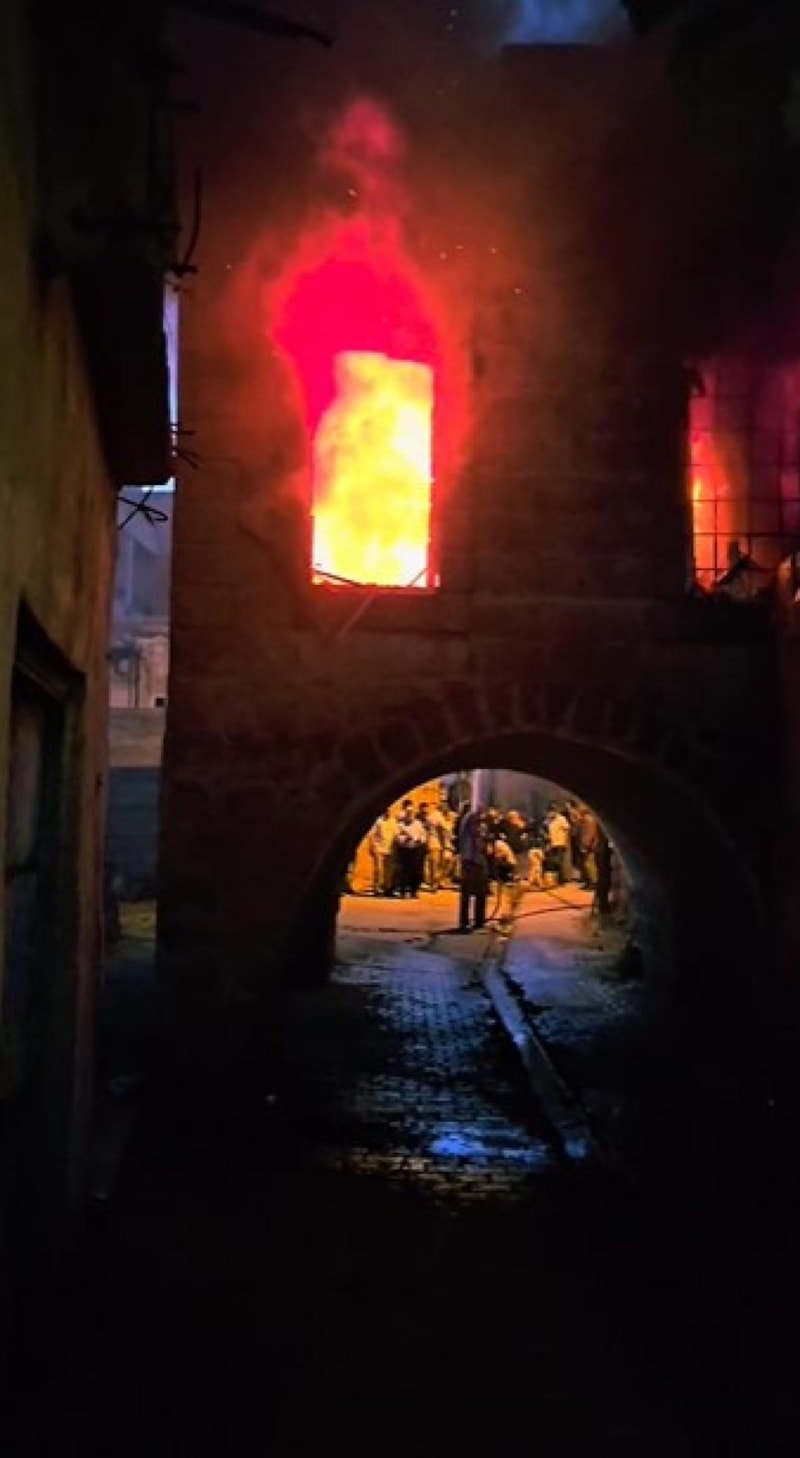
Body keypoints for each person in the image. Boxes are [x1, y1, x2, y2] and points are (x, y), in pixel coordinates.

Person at [456, 807, 490, 932]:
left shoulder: (468, 820)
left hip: (471, 860)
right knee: (476, 893)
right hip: (473, 861)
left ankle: (470, 921)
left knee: (472, 893)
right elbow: (478, 838)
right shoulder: (472, 819)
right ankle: (475, 922)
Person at [393, 799, 426, 898]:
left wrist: (420, 840)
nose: (409, 815)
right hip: (404, 850)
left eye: (411, 813)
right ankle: (402, 891)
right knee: (403, 871)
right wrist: (404, 839)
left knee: (415, 871)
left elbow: (423, 835)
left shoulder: (418, 824)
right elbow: (397, 837)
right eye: (408, 813)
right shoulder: (401, 825)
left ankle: (414, 891)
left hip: (415, 850)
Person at [369, 809, 397, 896]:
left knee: (389, 871)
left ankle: (388, 888)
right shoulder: (378, 821)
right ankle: (377, 889)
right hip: (379, 849)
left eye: (389, 811)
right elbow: (372, 835)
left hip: (390, 849)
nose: (388, 813)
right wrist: (373, 846)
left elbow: (396, 833)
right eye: (386, 811)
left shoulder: (393, 821)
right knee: (379, 870)